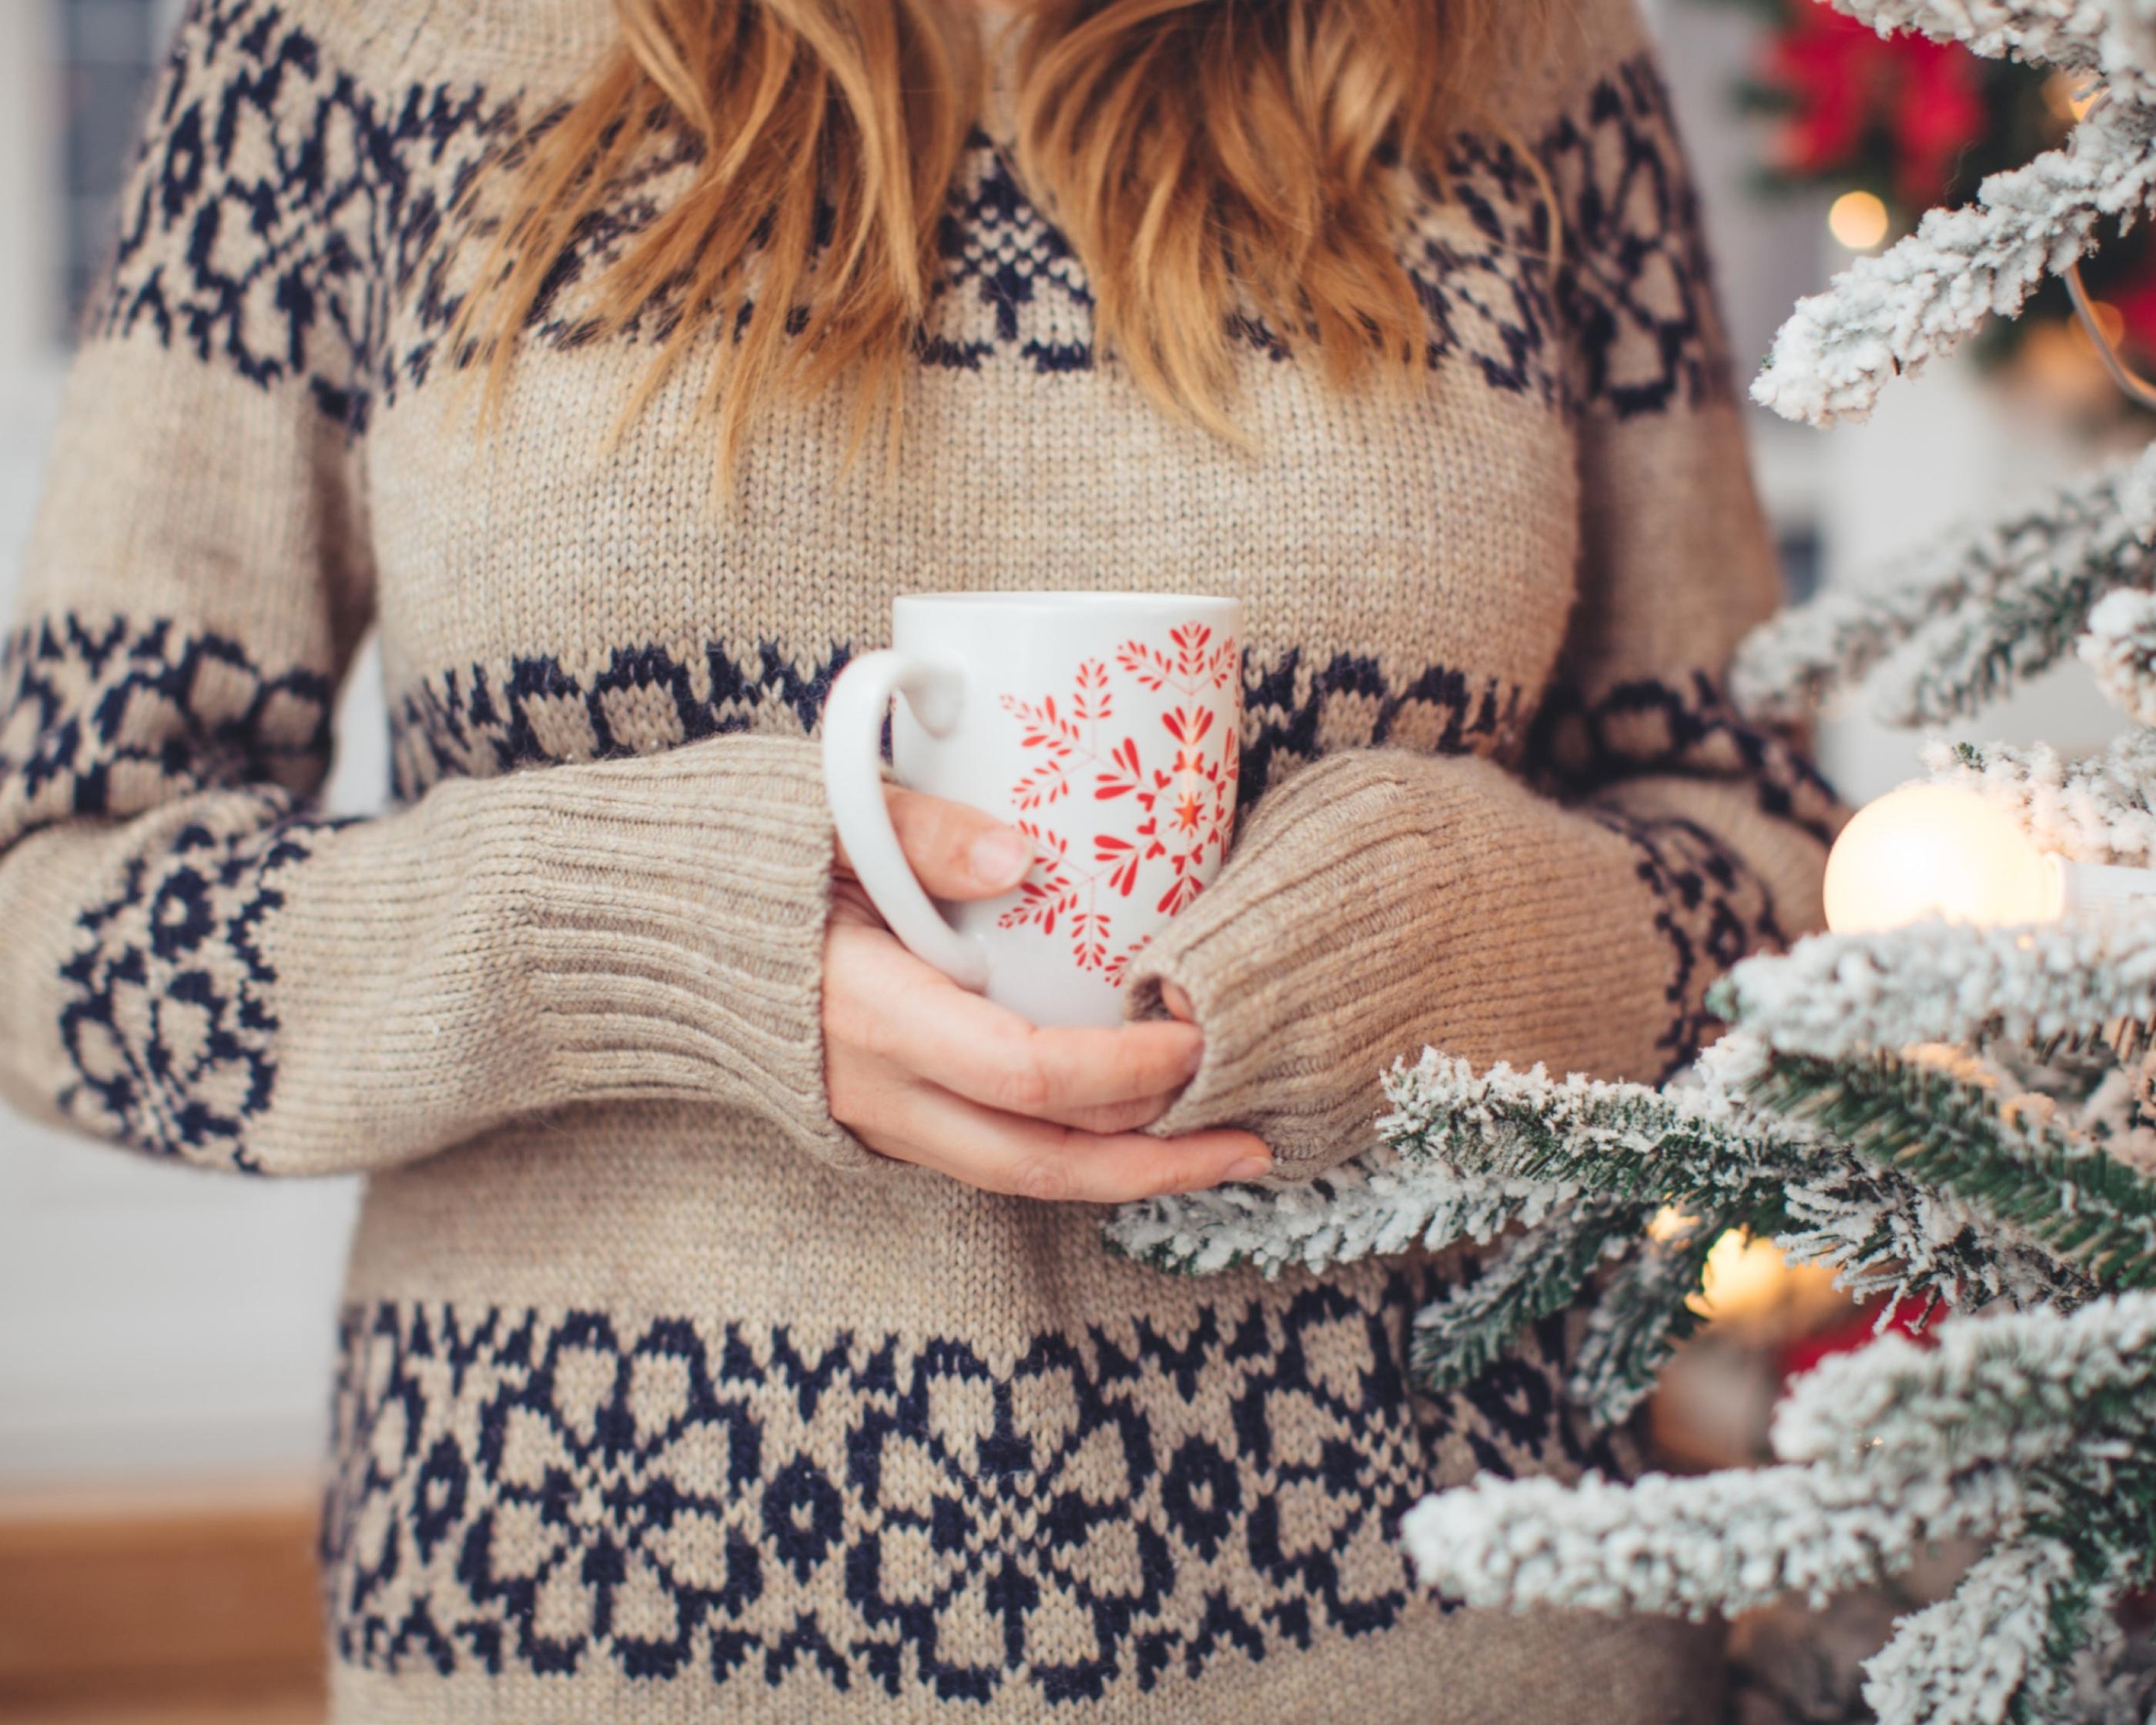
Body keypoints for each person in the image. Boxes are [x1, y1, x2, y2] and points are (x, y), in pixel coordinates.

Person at [0, 0, 1836, 1717]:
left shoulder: (1517, 50)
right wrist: (654, 936)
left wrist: (1439, 934)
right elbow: (51, 909)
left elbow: (1767, 869)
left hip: (1454, 1636)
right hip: (595, 1627)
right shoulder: (338, 43)